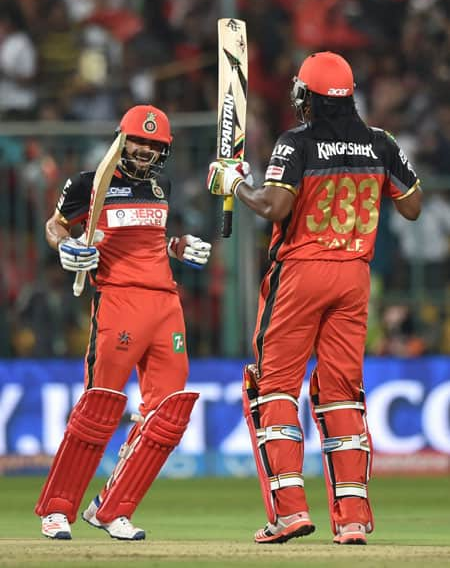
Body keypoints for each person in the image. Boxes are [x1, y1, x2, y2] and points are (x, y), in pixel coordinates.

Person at [207, 51, 422, 545]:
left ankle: (290, 513)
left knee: (273, 389)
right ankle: (352, 520)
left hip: (302, 272)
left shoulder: (296, 142)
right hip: (354, 276)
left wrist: (235, 181)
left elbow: (273, 205)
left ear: (308, 97)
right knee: (342, 393)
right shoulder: (381, 143)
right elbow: (412, 206)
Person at [36, 104, 211, 540]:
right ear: (121, 140)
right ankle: (57, 510)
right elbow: (54, 225)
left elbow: (146, 239)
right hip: (117, 302)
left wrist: (177, 246)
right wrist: (67, 245)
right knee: (99, 407)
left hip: (166, 304)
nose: (144, 151)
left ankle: (112, 508)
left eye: (153, 145)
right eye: (137, 141)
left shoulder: (161, 186)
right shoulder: (88, 184)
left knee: (168, 414)